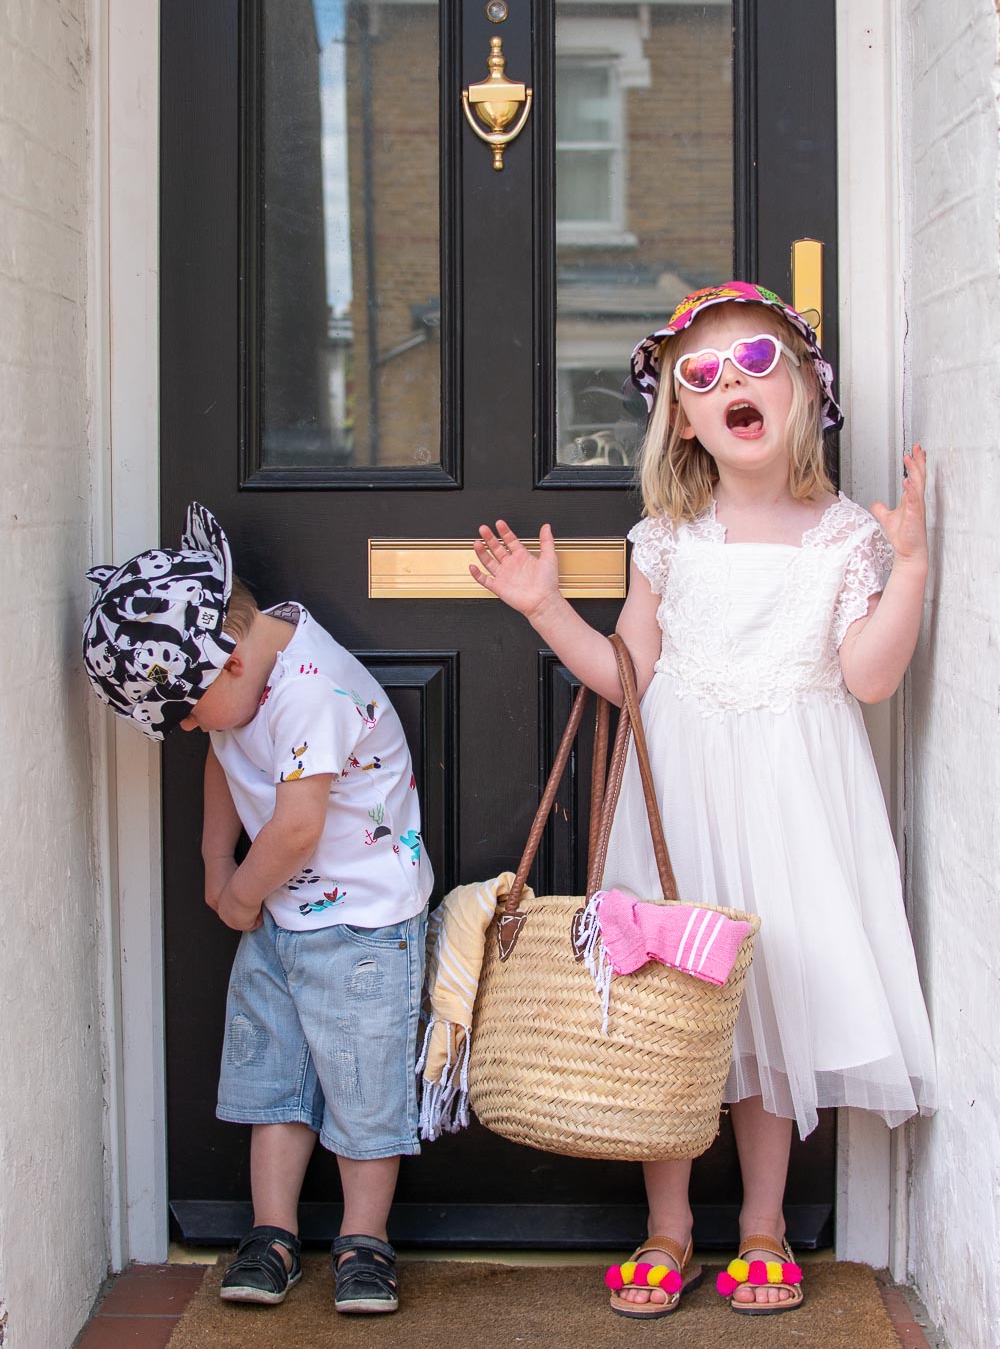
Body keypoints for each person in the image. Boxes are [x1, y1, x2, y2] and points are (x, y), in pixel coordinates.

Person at [470, 282, 936, 1319]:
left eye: (757, 362)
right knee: (664, 1007)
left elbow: (867, 676)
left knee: (769, 1012)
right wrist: (548, 609)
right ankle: (669, 1226)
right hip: (676, 795)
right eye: (701, 373)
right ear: (681, 418)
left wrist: (906, 569)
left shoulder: (846, 538)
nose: (731, 381)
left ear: (807, 389)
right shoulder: (669, 539)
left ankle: (762, 1223)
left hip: (793, 801)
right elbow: (626, 676)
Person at [82, 503, 432, 1314]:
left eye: (186, 711)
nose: (188, 727)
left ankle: (364, 1241)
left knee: (361, 1085)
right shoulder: (238, 672)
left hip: (362, 924)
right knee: (274, 1076)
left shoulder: (310, 687)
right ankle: (272, 1233)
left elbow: (300, 826)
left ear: (227, 665)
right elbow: (223, 753)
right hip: (284, 916)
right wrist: (215, 856)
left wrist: (240, 892)